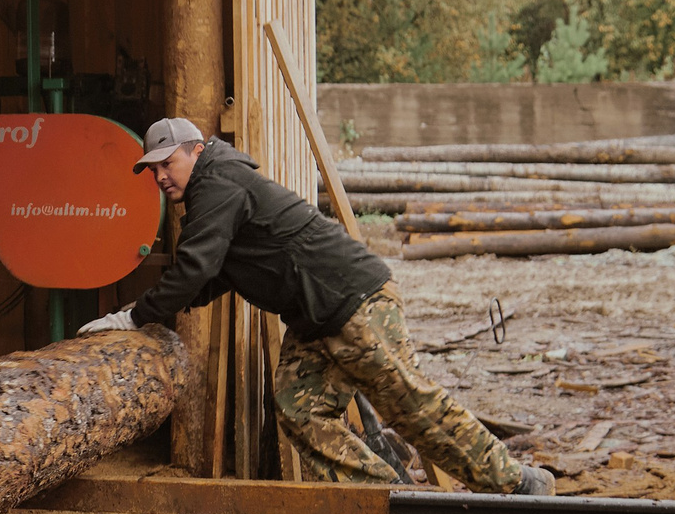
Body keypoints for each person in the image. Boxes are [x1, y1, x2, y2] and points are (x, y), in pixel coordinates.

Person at [80, 117, 552, 494]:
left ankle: (518, 482)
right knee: (298, 410)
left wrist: (133, 315)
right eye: (153, 169)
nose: (161, 175)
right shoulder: (214, 193)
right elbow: (210, 276)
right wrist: (143, 315)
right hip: (315, 316)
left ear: (196, 150)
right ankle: (390, 498)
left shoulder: (217, 181)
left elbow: (194, 269)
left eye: (168, 162)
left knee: (410, 406)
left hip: (355, 300)